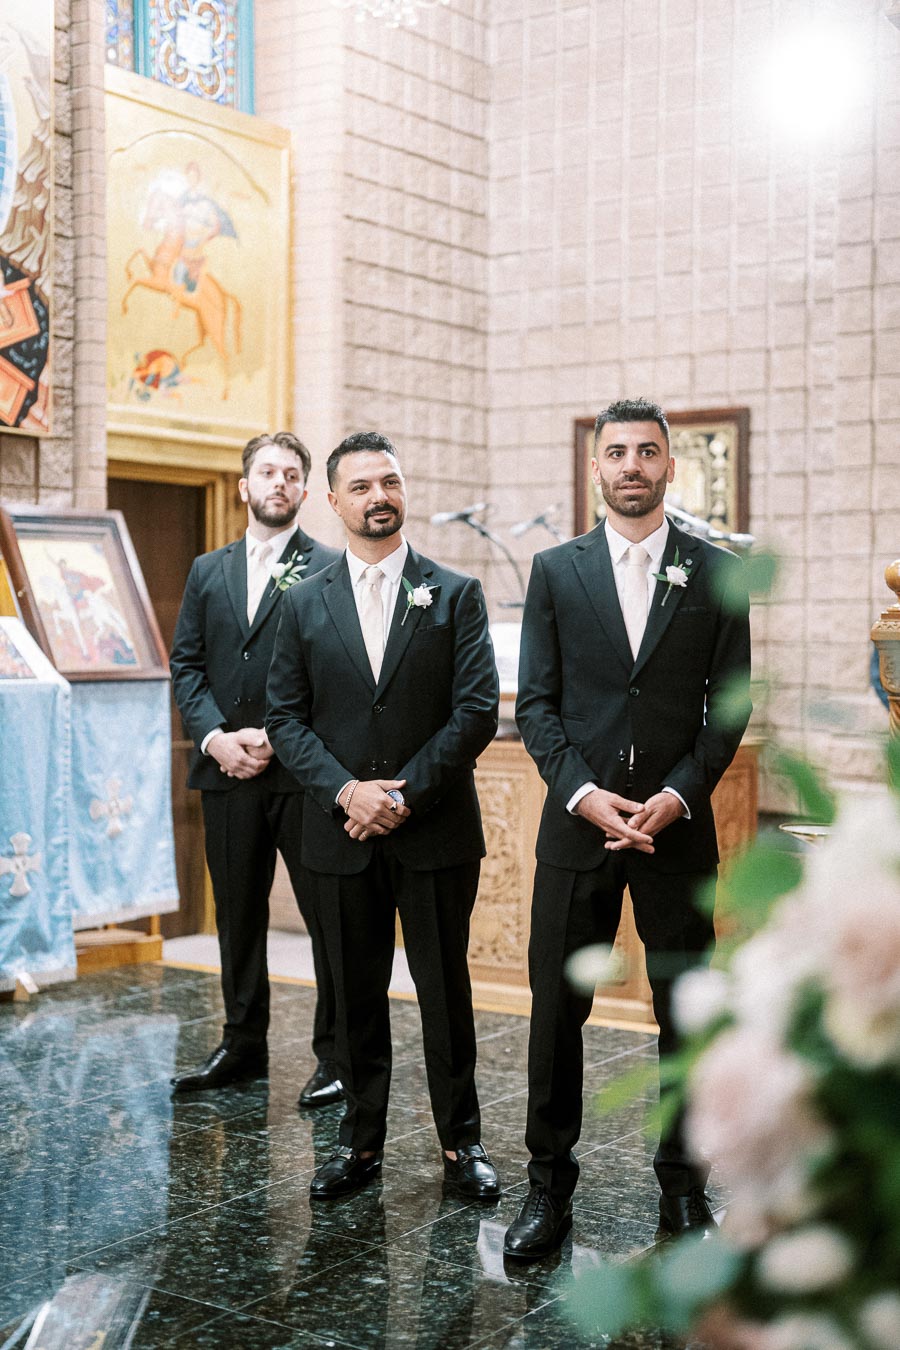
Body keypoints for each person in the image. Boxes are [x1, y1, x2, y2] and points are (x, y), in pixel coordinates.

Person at [504, 398, 752, 1259]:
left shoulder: (716, 572)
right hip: (579, 828)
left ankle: (683, 1191)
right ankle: (547, 1192)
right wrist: (582, 793)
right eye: (618, 453)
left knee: (684, 1012)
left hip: (675, 830)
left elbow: (731, 706)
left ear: (669, 467)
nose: (633, 466)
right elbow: (536, 704)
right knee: (554, 1014)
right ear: (596, 469)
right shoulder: (556, 570)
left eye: (649, 452)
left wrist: (681, 793)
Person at [266, 431, 501, 1200]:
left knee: (444, 991)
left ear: (406, 491)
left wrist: (400, 796)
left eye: (390, 482)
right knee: (356, 993)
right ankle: (360, 1144)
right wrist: (346, 793)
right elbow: (285, 719)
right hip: (337, 834)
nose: (379, 497)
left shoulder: (455, 593)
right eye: (361, 486)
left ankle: (462, 1146)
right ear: (332, 502)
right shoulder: (301, 604)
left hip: (432, 830)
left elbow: (474, 713)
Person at [169, 431, 343, 1105]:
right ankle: (242, 1045)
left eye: (290, 473)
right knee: (237, 916)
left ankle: (336, 1056)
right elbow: (186, 665)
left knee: (325, 917)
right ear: (244, 486)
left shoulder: (329, 567)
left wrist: (277, 736)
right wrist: (215, 738)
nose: (277, 482)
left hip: (300, 775)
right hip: (226, 774)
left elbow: (335, 672)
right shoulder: (207, 571)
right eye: (266, 472)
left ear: (304, 490)